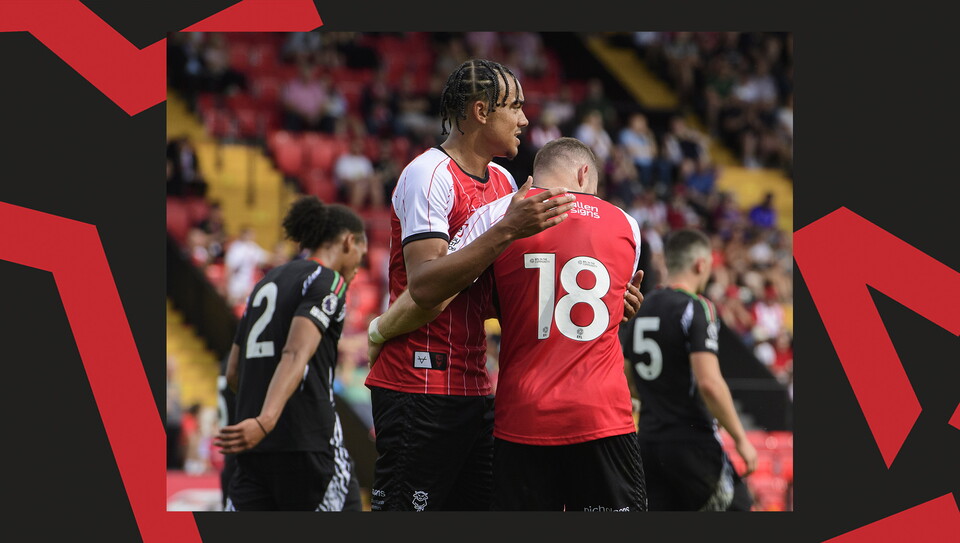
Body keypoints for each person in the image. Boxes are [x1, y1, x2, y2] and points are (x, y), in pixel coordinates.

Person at [369, 137, 648, 512]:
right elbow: (607, 301)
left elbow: (440, 290)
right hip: (602, 414)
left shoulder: (500, 216)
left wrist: (381, 329)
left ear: (534, 176)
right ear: (585, 174)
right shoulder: (627, 225)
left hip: (522, 416)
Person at [362, 59, 579, 512]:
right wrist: (504, 231)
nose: (524, 120)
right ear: (481, 112)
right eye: (515, 108)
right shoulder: (428, 174)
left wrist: (602, 301)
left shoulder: (502, 182)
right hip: (418, 385)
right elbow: (424, 286)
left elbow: (503, 292)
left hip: (476, 389)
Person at [215, 196, 368, 511]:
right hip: (309, 446)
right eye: (360, 256)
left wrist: (259, 421)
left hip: (255, 453)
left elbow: (233, 372)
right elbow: (296, 352)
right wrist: (267, 420)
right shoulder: (329, 282)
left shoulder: (264, 282)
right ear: (349, 242)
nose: (358, 268)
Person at [621, 228, 757, 511]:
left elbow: (628, 376)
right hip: (691, 441)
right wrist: (741, 439)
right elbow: (709, 383)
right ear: (701, 264)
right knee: (741, 509)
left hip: (649, 442)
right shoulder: (698, 307)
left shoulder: (641, 308)